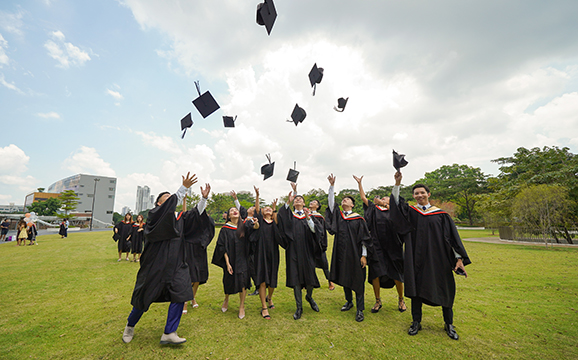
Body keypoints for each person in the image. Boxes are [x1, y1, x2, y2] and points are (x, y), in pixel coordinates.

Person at [389, 171, 471, 340]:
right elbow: (395, 207)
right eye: (416, 193)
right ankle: (416, 322)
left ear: (428, 194)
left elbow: (452, 239)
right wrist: (397, 184)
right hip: (416, 259)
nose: (419, 195)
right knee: (416, 290)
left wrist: (459, 259)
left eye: (422, 192)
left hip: (438, 260)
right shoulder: (410, 212)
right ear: (413, 196)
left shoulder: (441, 215)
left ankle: (449, 323)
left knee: (445, 289)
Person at [122, 172, 197, 345]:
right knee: (143, 297)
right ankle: (130, 325)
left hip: (177, 264)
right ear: (159, 204)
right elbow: (165, 211)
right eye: (167, 198)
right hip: (156, 264)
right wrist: (183, 188)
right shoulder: (154, 215)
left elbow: (195, 218)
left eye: (172, 198)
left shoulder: (179, 218)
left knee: (180, 293)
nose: (171, 200)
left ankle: (169, 332)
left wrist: (204, 200)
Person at [353, 175, 406, 313]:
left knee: (396, 274)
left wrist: (385, 204)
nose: (383, 199)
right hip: (376, 247)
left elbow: (401, 217)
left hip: (393, 246)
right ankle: (377, 300)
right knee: (375, 273)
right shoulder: (374, 209)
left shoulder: (395, 211)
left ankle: (401, 299)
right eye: (381, 198)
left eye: (386, 198)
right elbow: (364, 198)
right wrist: (360, 184)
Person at [325, 174, 372, 322]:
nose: (345, 200)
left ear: (352, 205)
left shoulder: (359, 219)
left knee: (357, 281)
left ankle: (360, 309)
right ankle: (349, 301)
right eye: (344, 199)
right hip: (341, 253)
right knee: (344, 277)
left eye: (348, 200)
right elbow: (331, 206)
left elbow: (365, 238)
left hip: (356, 254)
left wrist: (364, 255)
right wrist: (332, 187)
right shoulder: (340, 217)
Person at [276, 183, 323, 320]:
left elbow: (316, 232)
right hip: (293, 251)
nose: (298, 200)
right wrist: (288, 201)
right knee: (296, 279)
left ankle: (309, 296)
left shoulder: (310, 216)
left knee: (309, 279)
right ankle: (299, 307)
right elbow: (281, 217)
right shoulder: (289, 215)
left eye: (300, 199)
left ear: (304, 203)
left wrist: (308, 219)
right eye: (296, 199)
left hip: (307, 250)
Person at [211, 206, 257, 320]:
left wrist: (256, 223)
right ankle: (226, 299)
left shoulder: (245, 226)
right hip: (230, 259)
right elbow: (222, 247)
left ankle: (242, 306)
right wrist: (227, 263)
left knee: (243, 281)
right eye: (231, 211)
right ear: (229, 216)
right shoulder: (225, 229)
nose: (234, 211)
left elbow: (255, 229)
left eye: (235, 210)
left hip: (243, 259)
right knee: (228, 281)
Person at [181, 184, 215, 314]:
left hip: (199, 249)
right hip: (188, 249)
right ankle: (184, 301)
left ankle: (192, 298)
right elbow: (190, 213)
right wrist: (202, 199)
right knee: (188, 276)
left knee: (197, 277)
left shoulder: (206, 219)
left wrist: (204, 199)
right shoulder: (188, 217)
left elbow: (199, 210)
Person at [251, 186, 281, 319]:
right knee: (262, 280)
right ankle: (264, 307)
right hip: (260, 254)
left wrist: (274, 209)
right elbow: (257, 210)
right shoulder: (260, 221)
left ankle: (270, 298)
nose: (267, 209)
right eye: (265, 208)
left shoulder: (275, 222)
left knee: (272, 281)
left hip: (273, 254)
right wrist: (257, 195)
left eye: (270, 208)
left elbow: (277, 219)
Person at [307, 198, 335, 291]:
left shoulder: (319, 217)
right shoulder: (305, 214)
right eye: (311, 201)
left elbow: (322, 232)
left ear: (317, 206)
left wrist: (322, 244)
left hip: (318, 244)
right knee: (309, 264)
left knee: (324, 264)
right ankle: (309, 283)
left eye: (314, 202)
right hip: (308, 243)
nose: (311, 202)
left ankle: (330, 281)